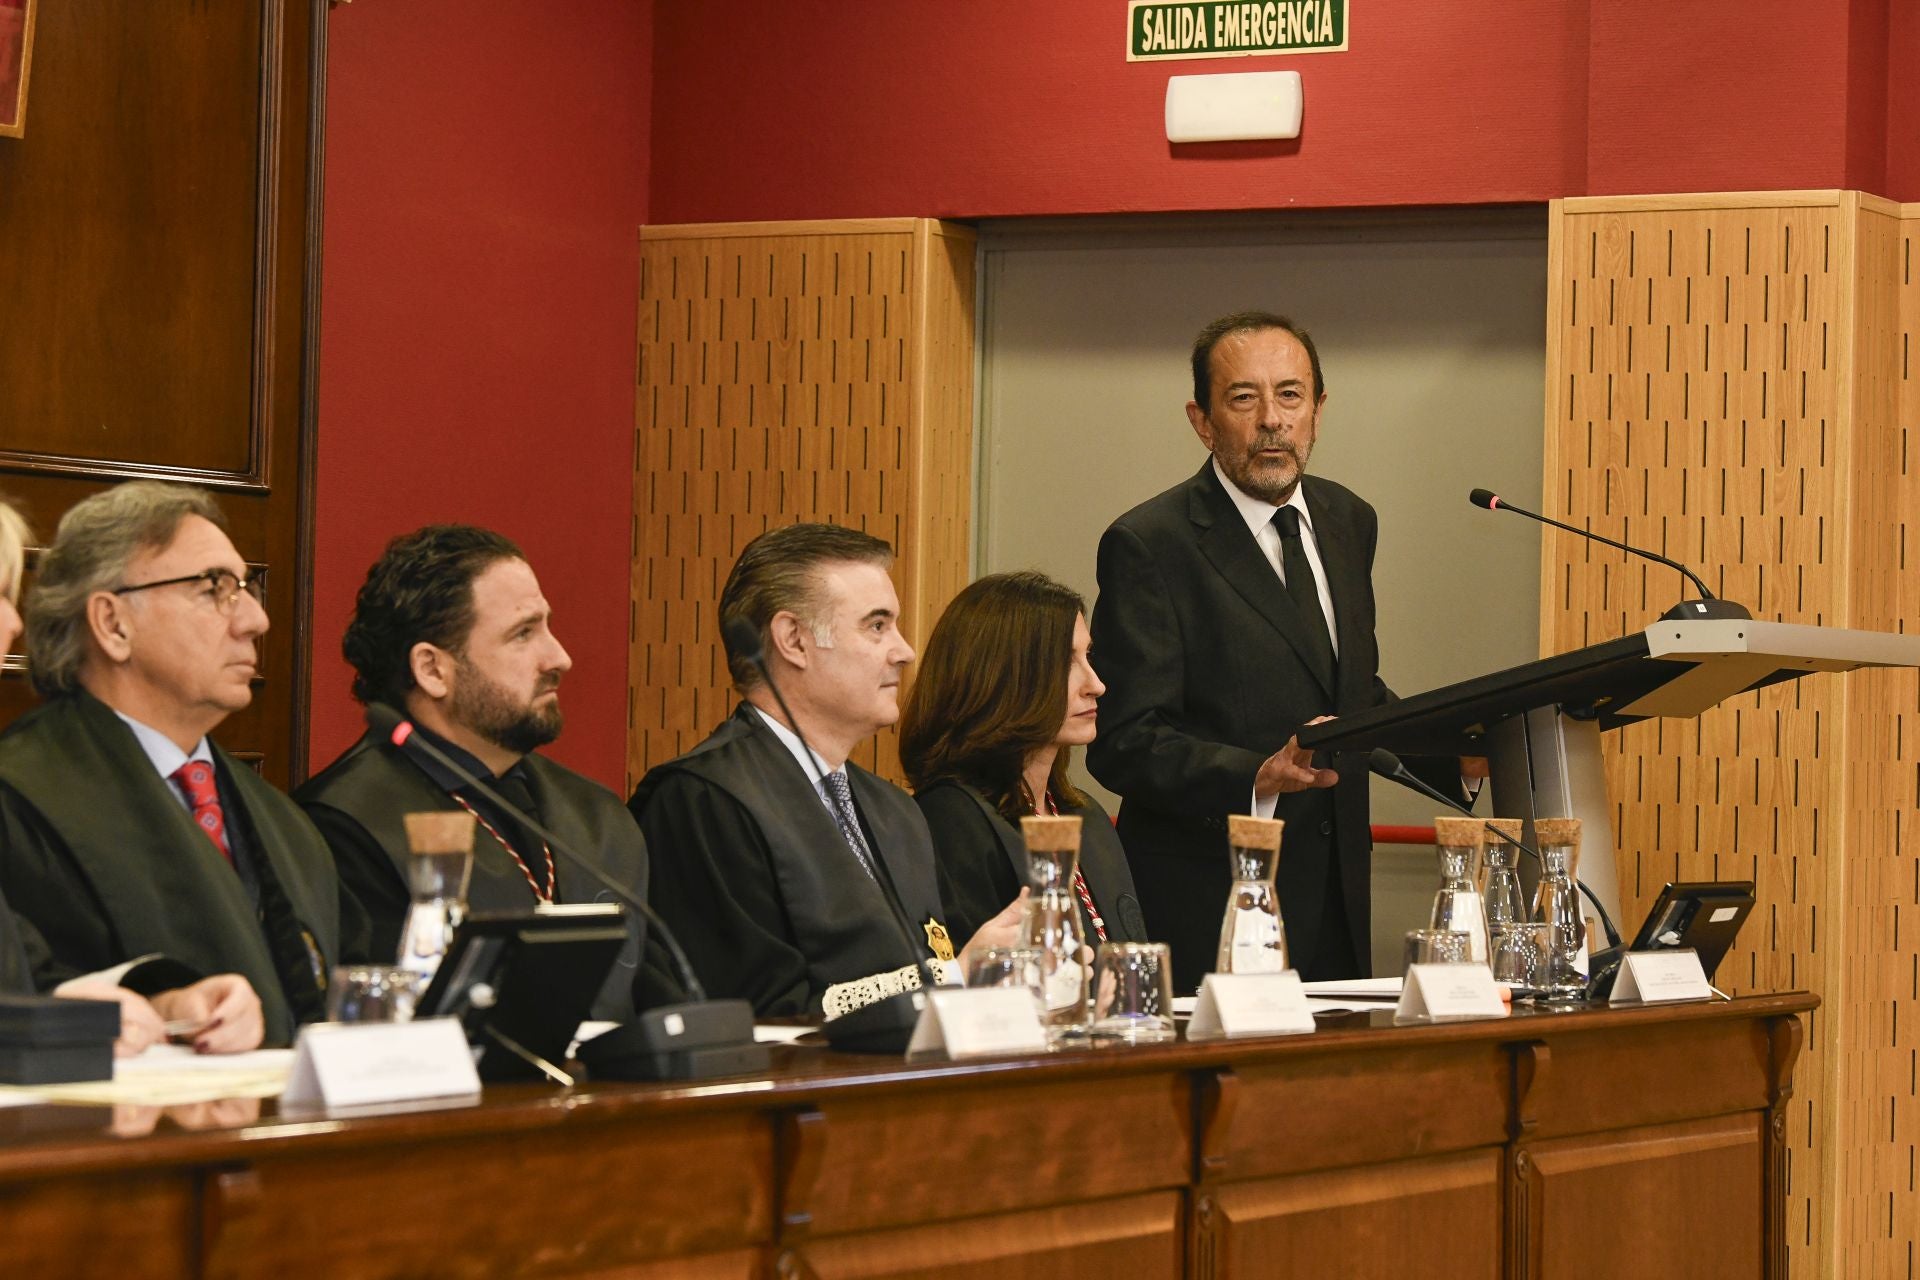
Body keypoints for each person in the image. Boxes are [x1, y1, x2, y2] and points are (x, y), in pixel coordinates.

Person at [1087, 312, 1464, 990]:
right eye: (1243, 398)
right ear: (1201, 420)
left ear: (1318, 410)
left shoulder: (1349, 520)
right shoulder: (1151, 544)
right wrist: (1257, 773)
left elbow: (1349, 691)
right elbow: (1123, 741)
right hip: (1216, 904)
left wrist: (1460, 752)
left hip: (1337, 899)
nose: (1271, 419)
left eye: (1290, 395)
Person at [629, 522, 1023, 1018]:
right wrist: (956, 975)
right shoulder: (704, 800)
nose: (905, 651)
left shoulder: (896, 810)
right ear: (794, 640)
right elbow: (759, 1015)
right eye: (876, 625)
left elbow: (937, 967)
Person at [0, 481, 335, 1048]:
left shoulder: (286, 823)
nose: (255, 619)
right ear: (112, 624)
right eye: (215, 589)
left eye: (245, 588)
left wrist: (167, 1004)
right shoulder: (18, 797)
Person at [297, 524, 675, 1017]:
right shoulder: (342, 826)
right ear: (433, 670)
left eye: (547, 626)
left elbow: (663, 1005)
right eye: (523, 633)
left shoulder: (598, 815)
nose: (559, 657)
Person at [899, 571, 1147, 947]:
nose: (1096, 684)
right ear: (1002, 676)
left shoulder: (1084, 813)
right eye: (1067, 661)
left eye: (1088, 656)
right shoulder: (951, 818)